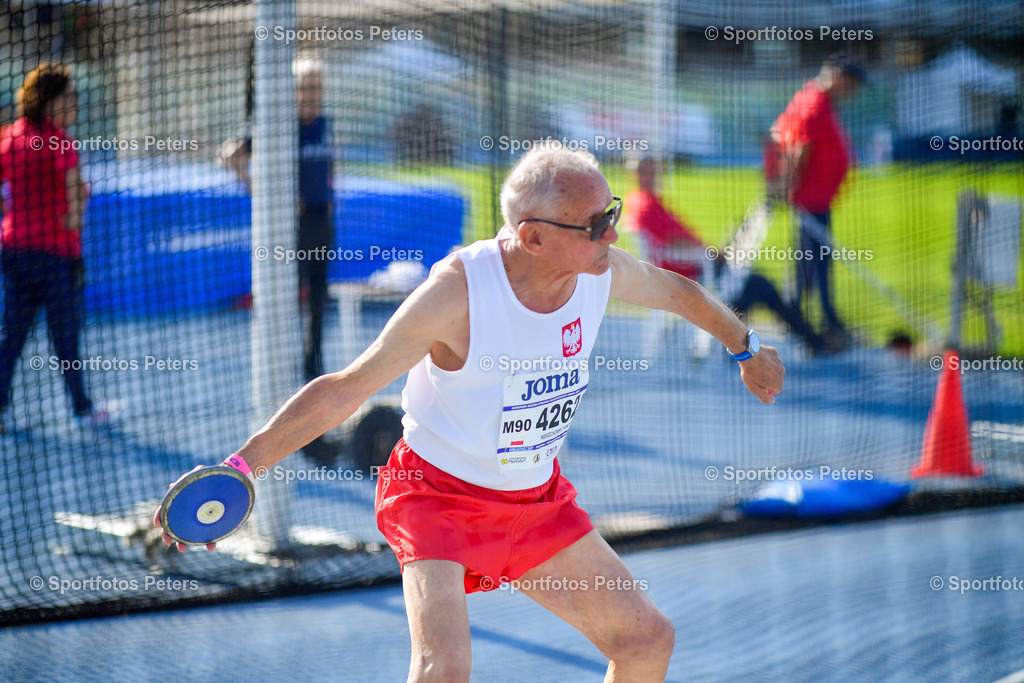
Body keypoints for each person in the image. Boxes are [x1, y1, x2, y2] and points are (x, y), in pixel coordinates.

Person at [156, 144, 785, 681]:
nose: (612, 235)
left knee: (647, 640)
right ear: (533, 237)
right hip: (435, 499)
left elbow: (681, 293)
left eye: (610, 214)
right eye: (592, 224)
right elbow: (347, 387)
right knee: (445, 669)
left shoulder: (600, 271)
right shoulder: (456, 295)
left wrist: (746, 347)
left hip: (536, 502)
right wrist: (243, 464)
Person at [0, 63, 109, 432]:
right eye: (69, 97)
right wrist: (74, 224)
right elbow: (74, 192)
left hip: (14, 249)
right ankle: (83, 408)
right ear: (50, 102)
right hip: (54, 253)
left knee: (12, 334)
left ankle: (0, 406)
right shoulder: (58, 141)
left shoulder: (11, 136)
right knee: (65, 336)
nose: (75, 104)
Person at [627, 157, 825, 354]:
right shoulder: (646, 204)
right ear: (635, 175)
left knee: (750, 282)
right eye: (646, 171)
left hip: (697, 264)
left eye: (655, 171)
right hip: (692, 269)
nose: (653, 176)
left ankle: (749, 343)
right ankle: (803, 340)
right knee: (757, 286)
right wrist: (711, 254)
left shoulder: (645, 201)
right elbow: (674, 241)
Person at [223, 58, 334, 381]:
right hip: (292, 230)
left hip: (322, 224)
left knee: (318, 301)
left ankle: (312, 367)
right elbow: (231, 154)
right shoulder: (279, 127)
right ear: (294, 91)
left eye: (317, 87)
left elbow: (330, 166)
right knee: (288, 299)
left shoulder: (325, 123)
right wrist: (258, 191)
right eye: (306, 87)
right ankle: (283, 370)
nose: (313, 94)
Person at [772, 53, 865, 339]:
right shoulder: (815, 103)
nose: (851, 94)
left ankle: (799, 315)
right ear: (839, 78)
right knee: (817, 260)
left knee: (808, 260)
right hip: (810, 200)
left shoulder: (818, 101)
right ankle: (822, 320)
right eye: (850, 85)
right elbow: (801, 148)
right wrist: (789, 186)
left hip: (817, 198)